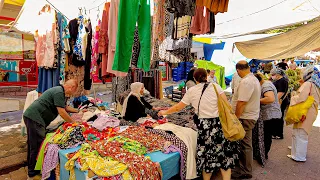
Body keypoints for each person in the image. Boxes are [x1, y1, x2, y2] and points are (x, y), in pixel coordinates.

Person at [158, 68, 239, 180]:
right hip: (218, 124)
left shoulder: (192, 91)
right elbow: (226, 104)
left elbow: (178, 107)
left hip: (204, 126)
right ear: (206, 76)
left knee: (206, 156)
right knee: (223, 155)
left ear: (195, 78)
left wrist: (164, 112)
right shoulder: (216, 86)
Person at [23, 79, 79, 179]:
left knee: (33, 144)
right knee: (36, 145)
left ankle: (32, 168)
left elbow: (65, 107)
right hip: (35, 118)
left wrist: (78, 110)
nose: (73, 93)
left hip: (34, 118)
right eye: (74, 91)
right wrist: (74, 123)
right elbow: (62, 112)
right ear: (71, 87)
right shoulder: (59, 92)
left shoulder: (61, 92)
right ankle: (32, 173)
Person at [231, 61, 261, 179]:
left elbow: (242, 102)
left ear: (238, 70)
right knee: (245, 144)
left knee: (245, 144)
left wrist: (236, 119)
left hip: (245, 117)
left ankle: (246, 171)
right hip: (248, 116)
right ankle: (243, 168)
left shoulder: (247, 81)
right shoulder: (252, 79)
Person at [287, 66, 320, 162]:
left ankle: (299, 156)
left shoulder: (308, 84)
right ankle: (296, 152)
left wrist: (293, 97)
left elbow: (301, 97)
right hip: (310, 111)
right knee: (300, 132)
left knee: (300, 133)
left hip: (305, 111)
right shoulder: (316, 85)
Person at [253, 73, 282, 165]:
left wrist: (254, 100)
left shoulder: (266, 85)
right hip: (270, 115)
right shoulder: (265, 84)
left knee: (266, 136)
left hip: (270, 115)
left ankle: (263, 155)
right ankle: (262, 154)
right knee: (265, 136)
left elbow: (270, 98)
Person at [270, 68, 289, 139]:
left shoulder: (282, 81)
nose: (272, 76)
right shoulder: (280, 80)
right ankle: (276, 133)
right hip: (279, 101)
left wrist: (274, 102)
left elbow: (281, 93)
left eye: (273, 74)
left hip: (280, 102)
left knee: (279, 118)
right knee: (277, 117)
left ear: (277, 74)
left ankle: (278, 134)